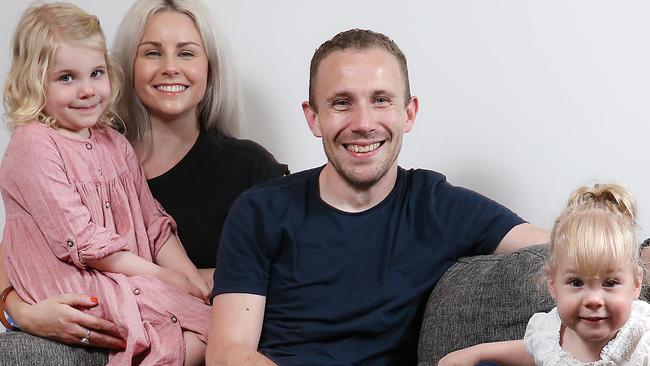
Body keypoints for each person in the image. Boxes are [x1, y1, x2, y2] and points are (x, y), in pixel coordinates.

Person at [206, 28, 550, 365]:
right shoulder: (259, 210)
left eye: (381, 100)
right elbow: (227, 352)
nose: (364, 123)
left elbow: (568, 248)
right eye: (342, 103)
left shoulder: (437, 205)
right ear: (313, 118)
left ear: (409, 113)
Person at [0, 0, 286, 351]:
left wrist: (192, 281)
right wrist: (18, 313)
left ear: (210, 66)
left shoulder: (249, 166)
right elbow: (19, 259)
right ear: (129, 66)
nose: (169, 68)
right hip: (103, 306)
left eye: (186, 53)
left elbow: (288, 272)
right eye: (152, 53)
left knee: (212, 331)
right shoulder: (53, 147)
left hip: (182, 311)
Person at [438, 183, 650, 365]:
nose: (593, 299)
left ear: (636, 285)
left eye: (610, 283)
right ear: (552, 286)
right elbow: (529, 352)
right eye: (576, 282)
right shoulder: (549, 335)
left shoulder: (642, 339)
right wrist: (474, 353)